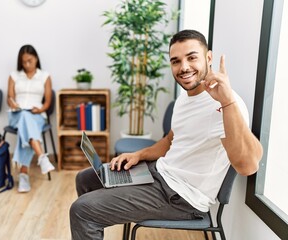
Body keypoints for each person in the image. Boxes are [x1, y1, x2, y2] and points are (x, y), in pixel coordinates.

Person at [69, 29, 263, 239]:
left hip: (182, 197)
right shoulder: (184, 98)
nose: (184, 67)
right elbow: (171, 140)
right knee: (86, 178)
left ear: (208, 58)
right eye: (176, 61)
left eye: (191, 58)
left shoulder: (226, 104)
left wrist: (227, 102)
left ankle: (94, 217)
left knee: (82, 211)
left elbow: (248, 166)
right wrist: (138, 155)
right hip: (160, 174)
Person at [7, 44, 55, 193]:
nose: (27, 64)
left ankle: (23, 176)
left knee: (26, 124)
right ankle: (41, 156)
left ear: (36, 58)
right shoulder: (14, 75)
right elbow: (9, 97)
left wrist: (40, 109)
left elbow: (47, 100)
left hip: (37, 115)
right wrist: (13, 104)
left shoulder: (45, 76)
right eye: (24, 62)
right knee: (24, 117)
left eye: (30, 60)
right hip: (17, 114)